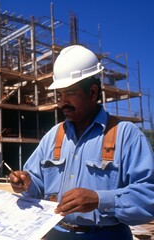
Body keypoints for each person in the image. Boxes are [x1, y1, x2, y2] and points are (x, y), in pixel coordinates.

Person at [9, 45, 154, 240]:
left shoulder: (126, 135)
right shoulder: (53, 136)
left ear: (93, 93)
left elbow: (148, 197)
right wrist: (26, 183)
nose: (62, 102)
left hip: (107, 235)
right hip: (55, 233)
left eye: (69, 93)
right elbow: (37, 184)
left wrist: (99, 200)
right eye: (59, 95)